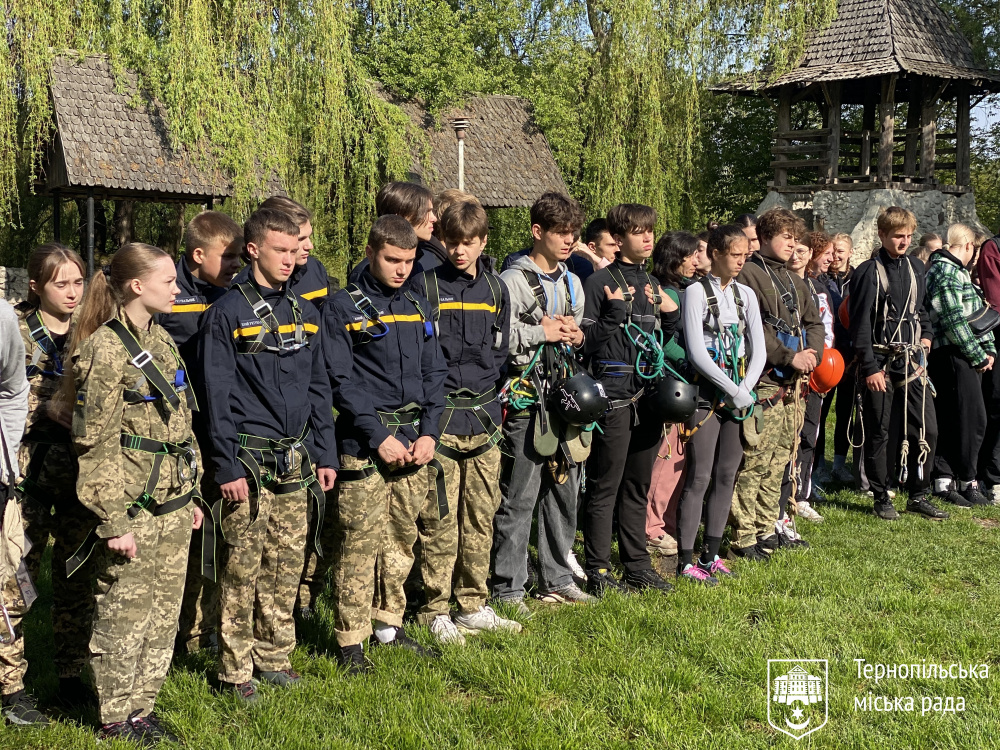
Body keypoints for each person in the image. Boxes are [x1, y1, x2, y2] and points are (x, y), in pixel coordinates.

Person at [197, 207, 337, 702]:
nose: (290, 259)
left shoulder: (304, 309)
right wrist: (227, 464)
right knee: (242, 566)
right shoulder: (225, 315)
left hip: (296, 460)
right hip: (248, 463)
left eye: (295, 249)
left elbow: (320, 387)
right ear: (253, 250)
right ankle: (234, 669)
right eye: (280, 249)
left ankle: (275, 655)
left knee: (285, 562)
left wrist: (326, 453)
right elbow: (215, 395)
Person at [67, 243, 204, 743]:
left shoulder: (163, 341)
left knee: (162, 614)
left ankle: (142, 709)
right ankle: (113, 717)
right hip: (133, 507)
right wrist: (114, 520)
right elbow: (92, 440)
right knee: (123, 612)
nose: (178, 288)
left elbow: (182, 423)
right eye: (169, 280)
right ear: (136, 286)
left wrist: (192, 493)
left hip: (173, 504)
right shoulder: (104, 349)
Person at [322, 215, 447, 672]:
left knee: (401, 540)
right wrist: (378, 436)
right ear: (372, 252)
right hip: (365, 445)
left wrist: (431, 430)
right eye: (393, 259)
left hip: (415, 441)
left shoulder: (418, 300)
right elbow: (340, 379)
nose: (401, 269)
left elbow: (436, 373)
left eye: (410, 261)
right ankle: (349, 642)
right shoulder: (343, 307)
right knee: (359, 543)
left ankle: (387, 627)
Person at [411, 200, 522, 644]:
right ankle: (434, 609)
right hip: (439, 421)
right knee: (439, 519)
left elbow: (499, 354)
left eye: (469, 244)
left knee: (480, 515)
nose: (460, 252)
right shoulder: (426, 286)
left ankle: (473, 603)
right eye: (452, 243)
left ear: (484, 242)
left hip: (485, 418)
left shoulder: (497, 290)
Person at [492, 192, 591, 609]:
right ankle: (509, 585)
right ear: (538, 232)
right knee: (521, 494)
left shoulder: (573, 281)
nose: (569, 241)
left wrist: (576, 334)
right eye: (561, 233)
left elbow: (582, 329)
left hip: (565, 396)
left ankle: (558, 576)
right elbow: (497, 340)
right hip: (527, 396)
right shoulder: (511, 281)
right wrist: (542, 333)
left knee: (565, 490)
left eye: (573, 233)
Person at [9, 245, 96, 710]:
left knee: (76, 579)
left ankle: (71, 674)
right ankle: (11, 686)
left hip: (82, 475)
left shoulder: (93, 328)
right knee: (16, 580)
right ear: (36, 286)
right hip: (28, 476)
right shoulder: (14, 331)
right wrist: (44, 408)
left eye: (78, 282)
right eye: (60, 284)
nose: (71, 292)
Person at [580, 204, 678, 595]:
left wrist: (671, 315)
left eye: (650, 230)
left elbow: (662, 343)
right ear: (618, 240)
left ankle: (637, 564)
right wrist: (614, 313)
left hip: (647, 396)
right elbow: (586, 345)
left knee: (638, 484)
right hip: (615, 395)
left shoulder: (653, 284)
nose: (648, 238)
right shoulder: (600, 281)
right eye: (638, 231)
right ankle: (598, 571)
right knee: (606, 485)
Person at [158, 210, 243, 655]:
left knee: (216, 531)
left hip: (220, 426)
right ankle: (179, 631)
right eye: (226, 256)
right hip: (178, 430)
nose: (235, 264)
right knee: (184, 534)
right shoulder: (168, 294)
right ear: (196, 255)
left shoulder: (232, 296)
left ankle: (205, 625)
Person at [733, 208, 824, 559]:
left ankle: (765, 527)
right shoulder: (749, 276)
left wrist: (811, 354)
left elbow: (814, 323)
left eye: (795, 238)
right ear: (767, 236)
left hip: (795, 386)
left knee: (779, 461)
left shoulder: (795, 280)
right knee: (755, 460)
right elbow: (754, 332)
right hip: (765, 383)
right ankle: (744, 536)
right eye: (786, 237)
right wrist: (789, 357)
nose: (792, 244)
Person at [676, 225, 765, 584]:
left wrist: (746, 387)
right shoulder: (696, 292)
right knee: (700, 475)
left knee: (728, 473)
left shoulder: (746, 295)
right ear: (714, 253)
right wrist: (731, 388)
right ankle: (685, 559)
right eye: (734, 254)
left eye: (745, 255)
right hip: (708, 394)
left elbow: (757, 345)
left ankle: (711, 553)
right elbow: (697, 351)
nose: (741, 261)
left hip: (738, 390)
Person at [848, 206, 946, 520]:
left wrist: (927, 336)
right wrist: (870, 368)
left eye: (907, 236)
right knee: (879, 431)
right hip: (879, 360)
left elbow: (923, 311)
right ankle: (880, 495)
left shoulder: (917, 268)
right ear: (882, 235)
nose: (903, 242)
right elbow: (860, 325)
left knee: (926, 429)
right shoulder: (867, 272)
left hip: (913, 360)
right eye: (897, 236)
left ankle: (918, 494)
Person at [927, 224, 994, 507]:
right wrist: (977, 355)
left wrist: (988, 348)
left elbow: (979, 312)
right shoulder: (944, 271)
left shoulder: (957, 271)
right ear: (966, 246)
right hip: (953, 354)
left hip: (964, 353)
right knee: (969, 420)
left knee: (963, 419)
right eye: (974, 250)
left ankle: (952, 478)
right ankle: (962, 480)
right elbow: (954, 320)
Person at [645, 231, 700, 559]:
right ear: (674, 257)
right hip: (672, 385)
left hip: (688, 386)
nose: (696, 260)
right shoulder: (664, 292)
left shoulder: (686, 290)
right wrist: (695, 363)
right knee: (665, 461)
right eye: (690, 255)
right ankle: (652, 527)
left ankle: (668, 520)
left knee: (679, 461)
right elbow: (665, 342)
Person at [779, 232, 835, 525]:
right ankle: (779, 496)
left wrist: (820, 363)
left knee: (808, 434)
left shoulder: (818, 290)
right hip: (785, 371)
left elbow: (825, 329)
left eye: (803, 250)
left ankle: (801, 495)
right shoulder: (776, 284)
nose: (796, 255)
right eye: (794, 249)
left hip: (814, 372)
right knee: (783, 437)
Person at [0, 297, 36, 725]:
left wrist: (4, 457)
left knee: (8, 587)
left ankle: (11, 688)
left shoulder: (2, 317)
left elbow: (12, 388)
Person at [347, 181, 440, 283]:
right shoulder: (365, 274)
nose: (434, 218)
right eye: (426, 212)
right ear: (401, 216)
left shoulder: (428, 258)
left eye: (409, 261)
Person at [818, 233, 855, 484]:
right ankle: (818, 465)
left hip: (851, 356)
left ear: (850, 252)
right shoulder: (820, 280)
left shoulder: (858, 279)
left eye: (841, 251)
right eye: (834, 251)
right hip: (828, 357)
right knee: (821, 413)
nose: (836, 256)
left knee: (845, 412)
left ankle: (840, 463)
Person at [976, 227, 1000, 503]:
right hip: (997, 339)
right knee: (996, 404)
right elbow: (995, 300)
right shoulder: (993, 249)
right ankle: (991, 476)